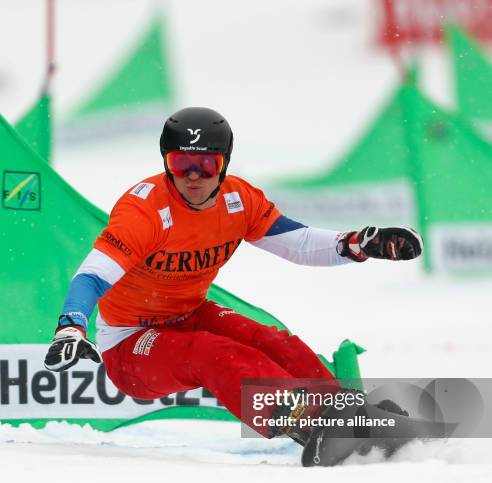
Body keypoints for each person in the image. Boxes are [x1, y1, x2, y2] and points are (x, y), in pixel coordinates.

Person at [44, 107, 423, 450]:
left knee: (270, 340)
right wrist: (71, 326)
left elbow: (300, 243)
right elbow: (93, 275)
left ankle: (351, 417)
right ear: (166, 164)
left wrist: (357, 244)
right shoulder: (144, 211)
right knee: (215, 354)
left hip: (187, 314)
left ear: (223, 165)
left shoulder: (238, 201)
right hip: (130, 343)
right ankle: (311, 424)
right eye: (181, 163)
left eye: (206, 165)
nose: (193, 176)